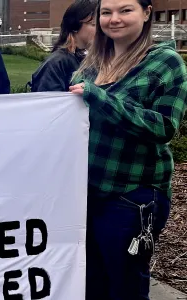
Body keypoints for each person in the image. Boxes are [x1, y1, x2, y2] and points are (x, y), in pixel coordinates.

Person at [68, 0, 183, 298]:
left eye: (125, 10)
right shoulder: (91, 64)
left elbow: (163, 127)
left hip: (131, 196)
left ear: (146, 12)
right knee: (89, 280)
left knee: (125, 286)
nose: (114, 19)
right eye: (106, 12)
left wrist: (101, 99)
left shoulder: (165, 62)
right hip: (86, 193)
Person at [30, 0, 96, 92]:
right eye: (94, 24)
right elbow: (48, 102)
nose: (99, 30)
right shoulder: (56, 63)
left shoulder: (93, 60)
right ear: (74, 25)